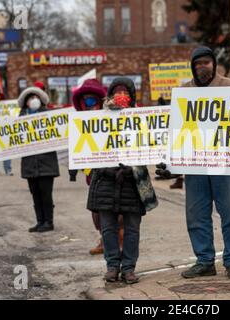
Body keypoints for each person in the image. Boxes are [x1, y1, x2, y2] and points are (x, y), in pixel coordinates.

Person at [156, 47, 230, 280]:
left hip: (224, 162)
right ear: (192, 67)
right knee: (196, 214)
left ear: (214, 64)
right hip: (194, 163)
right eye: (197, 64)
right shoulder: (184, 91)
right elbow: (175, 128)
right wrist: (170, 161)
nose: (202, 67)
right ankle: (205, 260)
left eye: (206, 62)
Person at [87, 77, 158, 284]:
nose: (121, 96)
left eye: (125, 92)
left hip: (133, 182)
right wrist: (108, 169)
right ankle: (112, 267)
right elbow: (92, 148)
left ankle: (128, 268)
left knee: (132, 229)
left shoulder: (143, 117)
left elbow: (150, 145)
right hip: (105, 181)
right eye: (117, 91)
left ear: (132, 95)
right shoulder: (98, 118)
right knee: (108, 228)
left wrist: (131, 167)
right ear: (109, 94)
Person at [70, 79, 124, 255]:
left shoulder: (112, 116)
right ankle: (104, 238)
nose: (89, 104)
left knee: (117, 209)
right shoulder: (79, 122)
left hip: (114, 171)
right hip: (93, 174)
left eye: (92, 100)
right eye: (85, 101)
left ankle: (120, 239)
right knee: (97, 210)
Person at [18, 86, 60, 233]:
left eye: (35, 97)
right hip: (29, 164)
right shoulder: (21, 118)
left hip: (46, 164)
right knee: (35, 194)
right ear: (25, 102)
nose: (33, 100)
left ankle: (49, 222)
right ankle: (40, 221)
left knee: (46, 194)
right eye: (30, 98)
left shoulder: (49, 116)